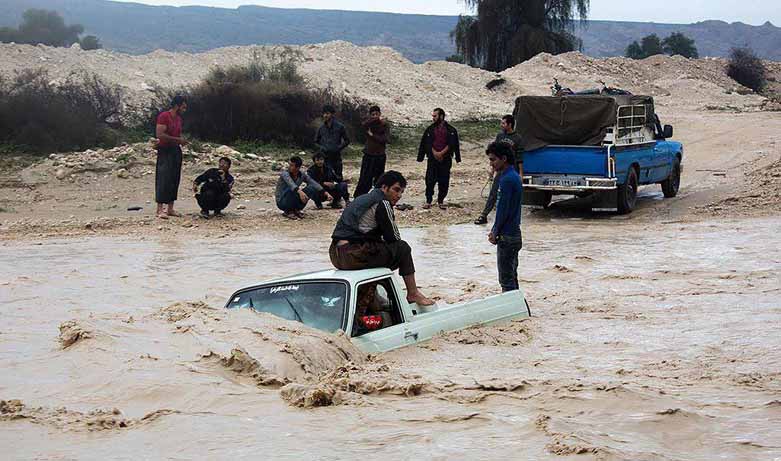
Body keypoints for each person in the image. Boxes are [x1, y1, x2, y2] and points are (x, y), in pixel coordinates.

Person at [330, 170, 435, 306]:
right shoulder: (382, 202)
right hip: (352, 255)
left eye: (401, 192)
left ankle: (373, 295)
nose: (399, 195)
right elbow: (394, 238)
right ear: (384, 187)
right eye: (396, 190)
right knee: (402, 248)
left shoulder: (361, 199)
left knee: (377, 252)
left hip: (335, 255)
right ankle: (413, 293)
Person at [486, 142, 523, 293]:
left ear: (504, 159)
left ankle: (513, 312)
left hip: (506, 236)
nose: (491, 164)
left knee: (506, 281)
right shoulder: (514, 177)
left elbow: (503, 210)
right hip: (514, 234)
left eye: (493, 160)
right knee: (512, 278)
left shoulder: (507, 180)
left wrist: (495, 232)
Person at [475, 114, 524, 225]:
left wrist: (521, 174)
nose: (501, 125)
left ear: (510, 124)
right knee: (493, 192)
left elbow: (520, 157)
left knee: (509, 195)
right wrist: (492, 171)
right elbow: (494, 155)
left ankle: (510, 220)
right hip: (500, 170)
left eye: (503, 123)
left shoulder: (517, 138)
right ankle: (484, 215)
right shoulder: (500, 136)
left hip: (512, 170)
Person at [417, 108, 460, 209]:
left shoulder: (451, 130)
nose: (433, 118)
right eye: (432, 116)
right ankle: (428, 200)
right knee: (430, 180)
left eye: (435, 116)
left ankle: (440, 200)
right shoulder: (430, 129)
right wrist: (434, 153)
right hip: (432, 159)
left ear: (441, 116)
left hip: (445, 160)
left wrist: (442, 153)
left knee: (444, 181)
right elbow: (426, 143)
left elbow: (453, 144)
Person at [154, 95, 188, 219]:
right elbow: (160, 134)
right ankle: (159, 209)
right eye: (183, 107)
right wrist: (178, 140)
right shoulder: (164, 116)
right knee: (163, 178)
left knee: (174, 178)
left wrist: (180, 141)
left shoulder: (178, 119)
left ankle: (170, 208)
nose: (184, 110)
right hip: (165, 150)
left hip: (175, 150)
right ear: (176, 106)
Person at [275, 155, 330, 219]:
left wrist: (325, 192)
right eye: (289, 165)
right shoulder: (285, 174)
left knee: (311, 188)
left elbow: (313, 182)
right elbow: (291, 184)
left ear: (298, 167)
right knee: (291, 190)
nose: (289, 167)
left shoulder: (302, 174)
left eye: (292, 165)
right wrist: (300, 192)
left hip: (294, 196)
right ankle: (288, 211)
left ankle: (296, 210)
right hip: (282, 201)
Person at [354, 105, 389, 197]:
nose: (375, 116)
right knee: (365, 177)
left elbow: (385, 139)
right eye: (373, 114)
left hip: (380, 155)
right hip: (369, 154)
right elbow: (362, 126)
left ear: (380, 114)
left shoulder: (384, 125)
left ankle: (378, 195)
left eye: (376, 114)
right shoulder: (368, 125)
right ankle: (359, 196)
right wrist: (371, 121)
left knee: (379, 178)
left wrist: (372, 135)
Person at [314, 105, 350, 181]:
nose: (325, 115)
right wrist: (322, 148)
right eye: (324, 113)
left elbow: (347, 140)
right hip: (325, 158)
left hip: (336, 157)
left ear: (332, 114)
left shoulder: (340, 127)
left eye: (327, 113)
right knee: (326, 179)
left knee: (339, 179)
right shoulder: (321, 128)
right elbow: (315, 142)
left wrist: (338, 148)